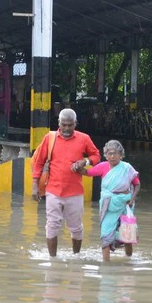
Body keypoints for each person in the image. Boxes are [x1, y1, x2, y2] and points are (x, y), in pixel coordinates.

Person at [31, 108, 100, 258]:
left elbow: (96, 155)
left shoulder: (84, 139)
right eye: (64, 125)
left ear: (75, 124)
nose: (67, 128)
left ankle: (76, 257)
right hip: (53, 190)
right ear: (59, 123)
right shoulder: (49, 138)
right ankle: (52, 260)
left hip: (75, 192)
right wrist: (35, 185)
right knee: (52, 225)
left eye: (70, 125)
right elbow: (38, 162)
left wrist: (85, 161)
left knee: (76, 228)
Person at [80, 140, 140, 262]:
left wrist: (132, 199)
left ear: (121, 155)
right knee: (105, 237)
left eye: (115, 153)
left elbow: (137, 184)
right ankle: (106, 266)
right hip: (108, 205)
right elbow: (86, 172)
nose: (112, 156)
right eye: (109, 153)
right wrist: (80, 163)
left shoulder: (127, 168)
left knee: (128, 237)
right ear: (105, 155)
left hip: (124, 204)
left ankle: (129, 262)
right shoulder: (102, 166)